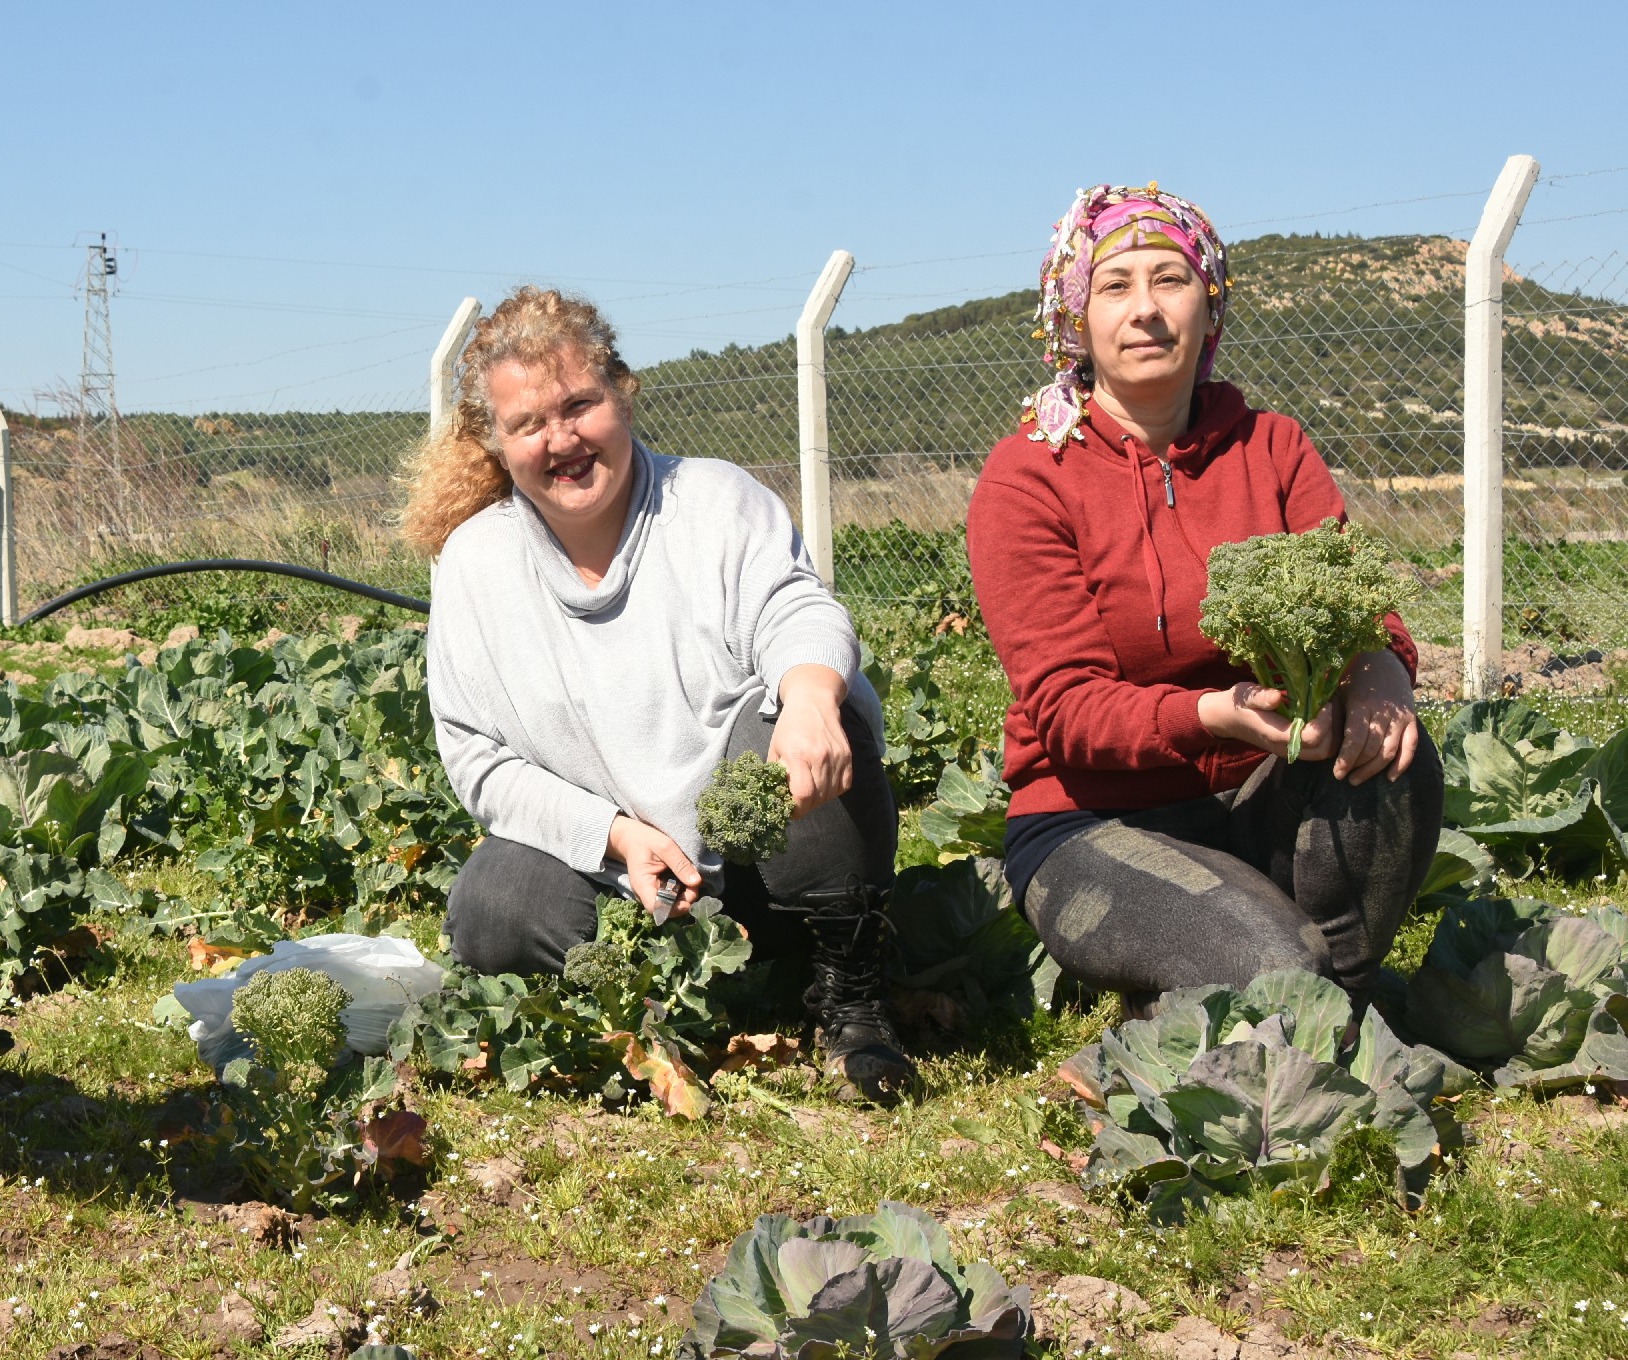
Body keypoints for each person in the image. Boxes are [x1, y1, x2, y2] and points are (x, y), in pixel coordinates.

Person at [405, 287, 914, 1103]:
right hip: (623, 877)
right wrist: (612, 836)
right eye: (528, 424)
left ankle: (845, 991)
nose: (562, 439)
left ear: (624, 392)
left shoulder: (713, 502)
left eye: (580, 405)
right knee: (492, 907)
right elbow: (475, 756)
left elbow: (796, 609)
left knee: (825, 711)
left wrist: (813, 698)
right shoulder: (473, 564)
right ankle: (661, 997)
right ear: (497, 446)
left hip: (758, 860)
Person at [967, 184, 1441, 1014]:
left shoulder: (1275, 447)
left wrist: (1383, 673)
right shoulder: (1028, 477)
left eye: (1171, 280)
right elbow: (1068, 711)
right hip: (1094, 825)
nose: (1145, 310)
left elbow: (1363, 603)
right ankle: (1227, 1018)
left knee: (1400, 760)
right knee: (1272, 968)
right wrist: (1212, 714)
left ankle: (1344, 1008)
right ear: (1075, 318)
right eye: (1115, 286)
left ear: (1209, 305)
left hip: (1261, 795)